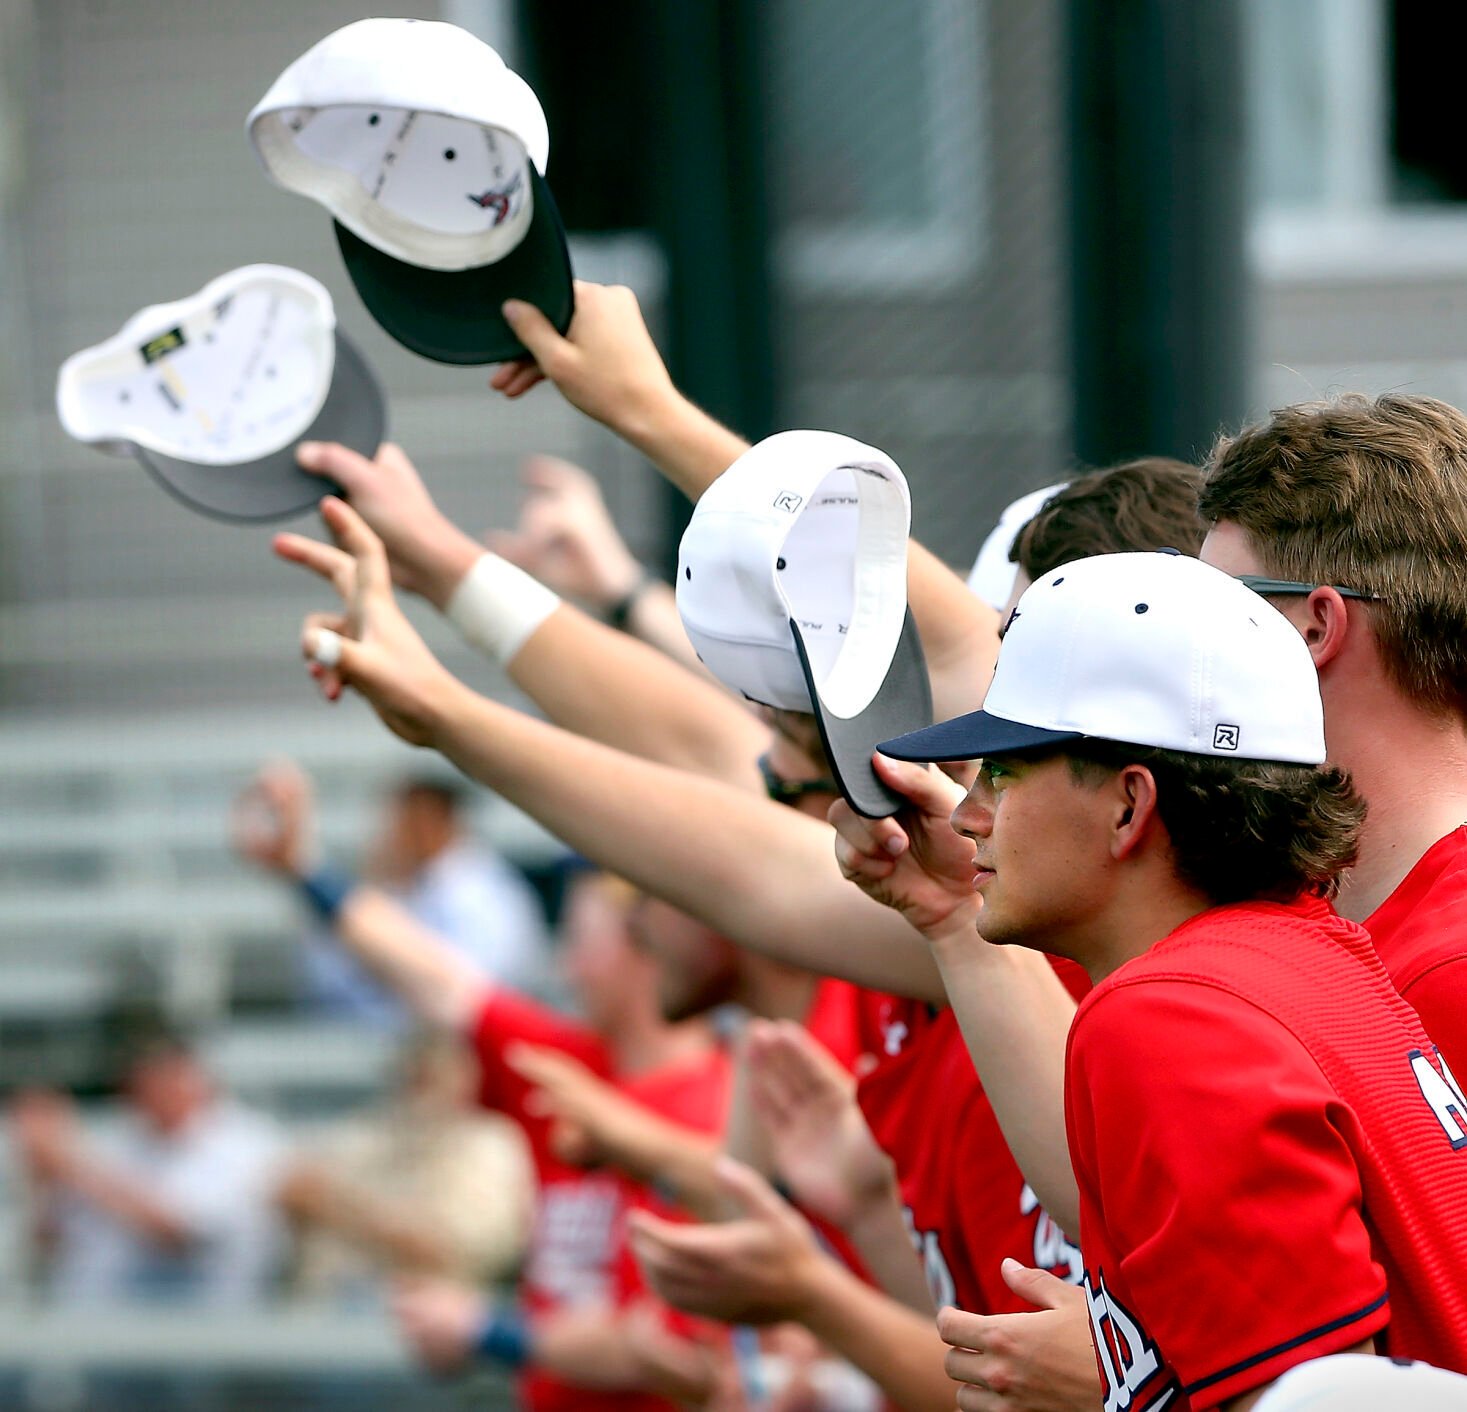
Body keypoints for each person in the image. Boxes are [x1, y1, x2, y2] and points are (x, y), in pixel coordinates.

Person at [871, 549, 1467, 1408]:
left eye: (1002, 770)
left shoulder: (1169, 1018)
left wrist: (1123, 1397)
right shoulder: (1305, 952)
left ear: (1129, 804)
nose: (969, 812)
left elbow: (1317, 1401)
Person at [1196, 393, 1467, 1070]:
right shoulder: (1295, 908)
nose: (1183, 640)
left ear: (1313, 627)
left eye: (1209, 606)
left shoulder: (1451, 968)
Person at [234, 760, 550, 1022]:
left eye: (412, 815)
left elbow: (466, 998)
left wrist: (308, 869)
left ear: (440, 818)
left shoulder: (492, 896)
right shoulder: (389, 885)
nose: (396, 828)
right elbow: (326, 983)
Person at [10, 1031, 288, 1306]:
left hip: (203, 1329)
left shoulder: (249, 1144)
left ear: (192, 1077)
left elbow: (180, 1234)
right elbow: (52, 1241)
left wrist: (71, 1164)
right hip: (94, 1326)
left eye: (165, 1075)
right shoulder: (115, 1140)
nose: (152, 1091)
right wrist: (42, 1180)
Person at [278, 1028, 533, 1301]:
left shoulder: (492, 1145)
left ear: (466, 1079)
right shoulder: (364, 1132)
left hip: (430, 1324)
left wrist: (340, 1209)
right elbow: (292, 1192)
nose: (417, 1088)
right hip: (323, 1316)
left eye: (430, 1077)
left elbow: (442, 1250)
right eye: (410, 1075)